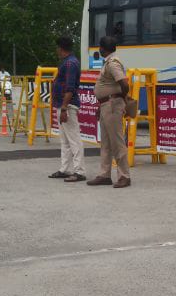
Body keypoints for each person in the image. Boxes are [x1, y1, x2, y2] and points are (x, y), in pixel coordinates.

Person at [87, 36, 131, 188]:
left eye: (99, 47)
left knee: (117, 141)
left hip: (112, 105)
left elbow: (124, 84)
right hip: (107, 104)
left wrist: (122, 99)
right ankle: (104, 174)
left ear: (103, 48)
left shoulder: (112, 64)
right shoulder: (109, 63)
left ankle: (124, 176)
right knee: (105, 142)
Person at [49, 36, 86, 183]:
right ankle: (65, 169)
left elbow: (70, 88)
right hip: (63, 105)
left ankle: (80, 171)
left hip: (67, 106)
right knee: (64, 140)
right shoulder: (68, 62)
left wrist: (64, 108)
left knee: (74, 139)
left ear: (60, 48)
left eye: (57, 47)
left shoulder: (70, 64)